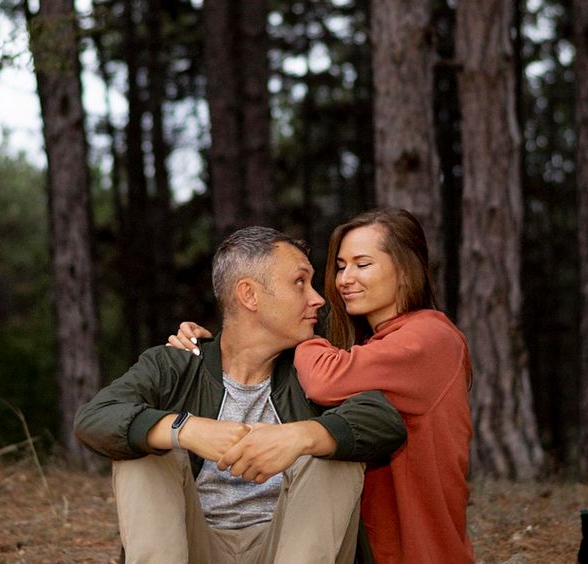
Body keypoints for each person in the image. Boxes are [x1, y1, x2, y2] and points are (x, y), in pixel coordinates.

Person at [75, 226, 408, 564]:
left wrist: (300, 437)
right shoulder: (175, 364)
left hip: (287, 549)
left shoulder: (315, 366)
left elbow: (384, 420)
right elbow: (95, 418)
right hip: (195, 548)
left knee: (329, 455)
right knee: (146, 452)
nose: (318, 298)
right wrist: (185, 429)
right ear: (249, 295)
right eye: (299, 282)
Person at [171, 208, 474, 563]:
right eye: (342, 266)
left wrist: (294, 332)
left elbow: (324, 380)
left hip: (419, 550)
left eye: (362, 264)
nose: (345, 279)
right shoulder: (373, 347)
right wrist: (215, 345)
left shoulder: (429, 337)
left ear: (406, 270)